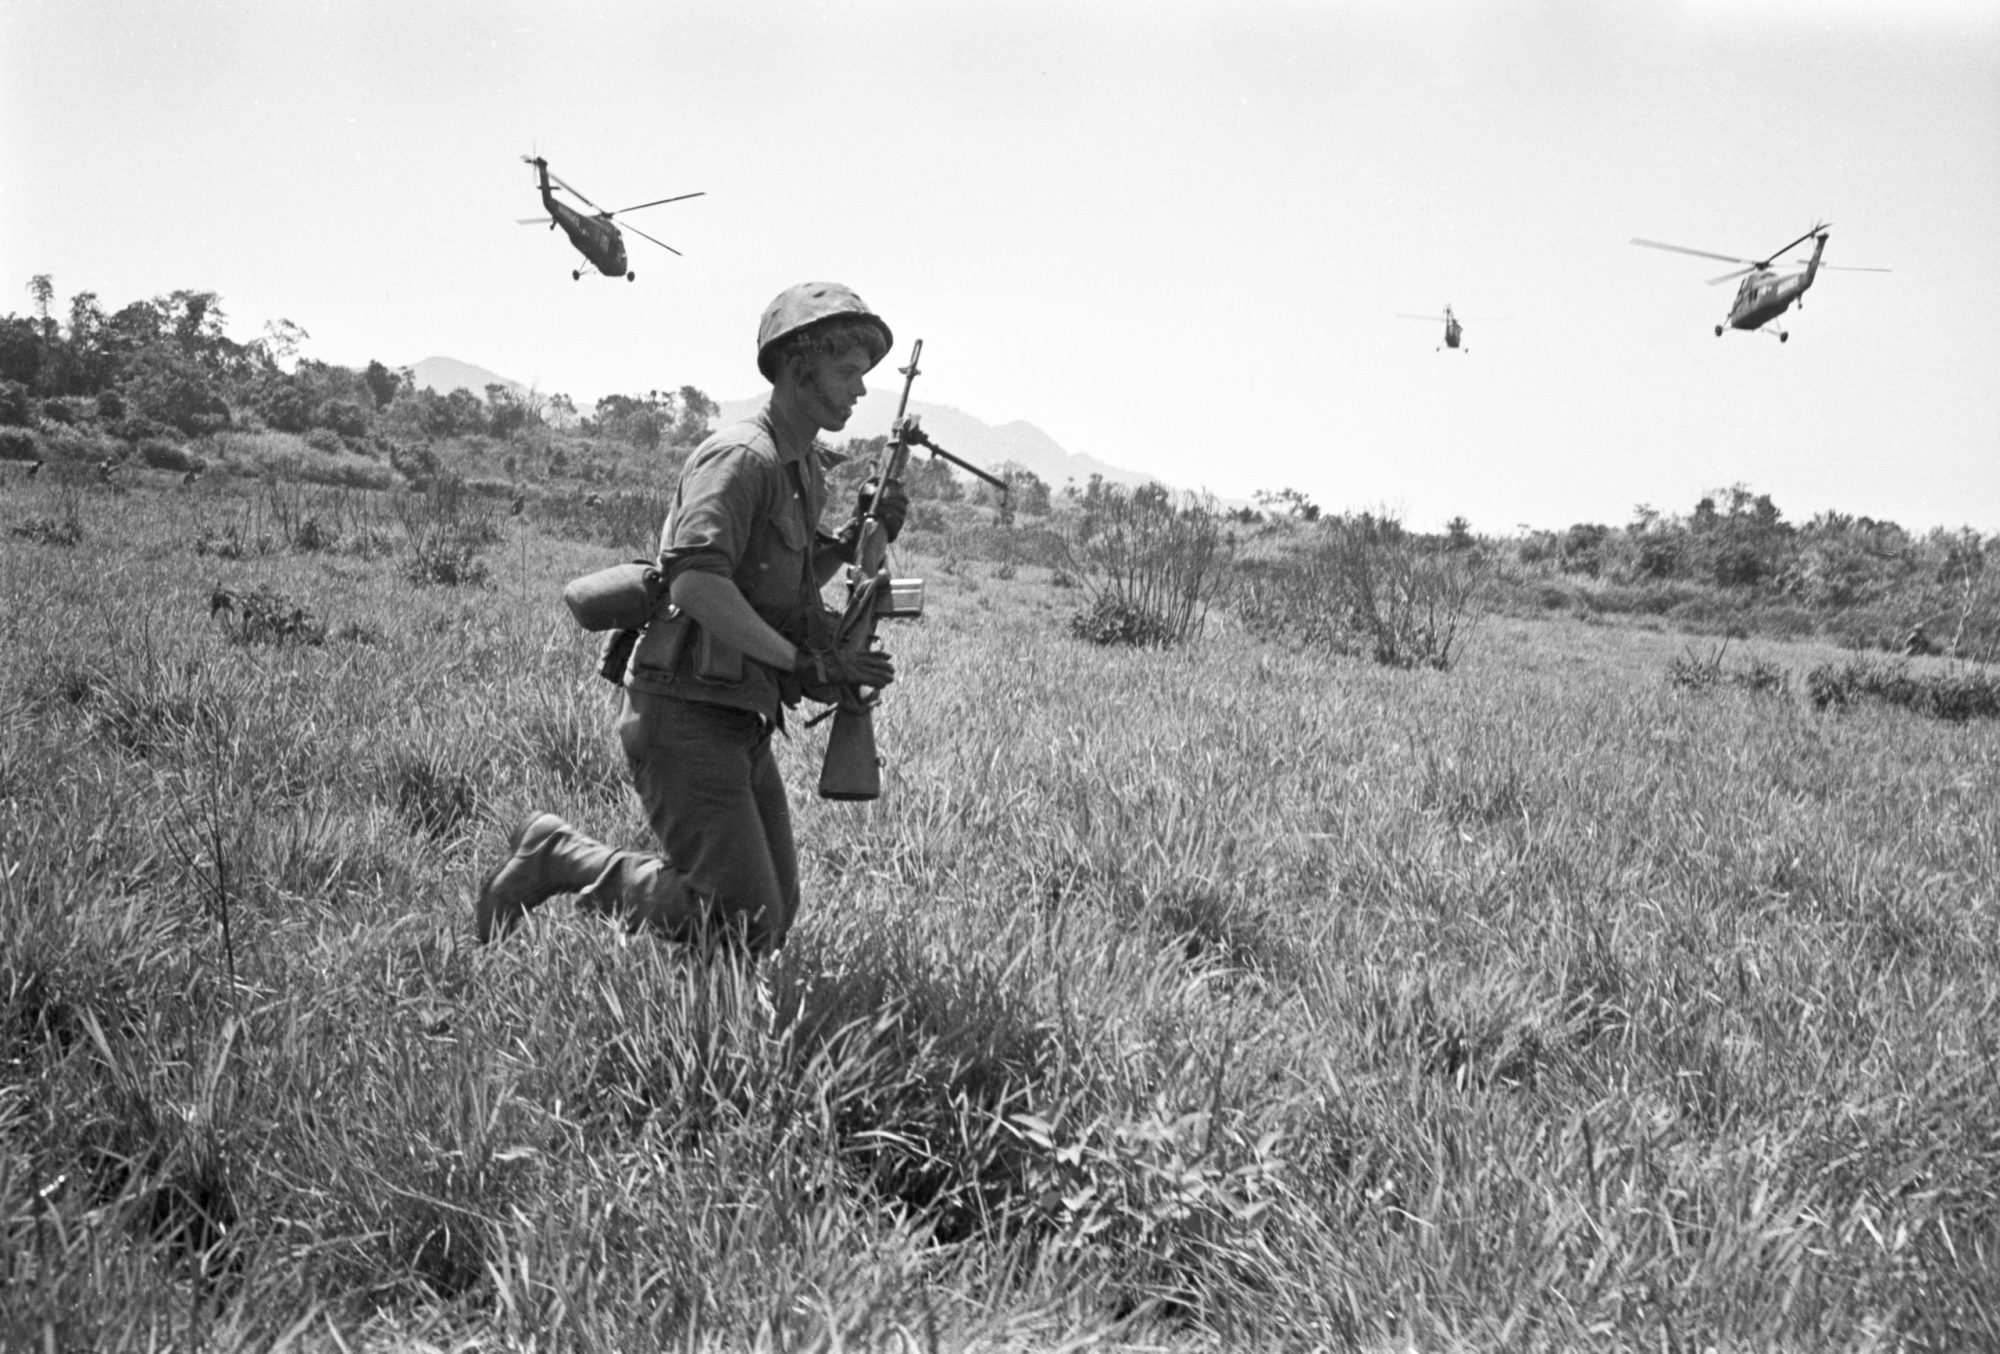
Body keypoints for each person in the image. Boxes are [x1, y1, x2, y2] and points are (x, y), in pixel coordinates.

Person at [476, 282, 908, 956]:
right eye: (847, 372)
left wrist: (851, 541)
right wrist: (800, 663)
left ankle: (709, 1012)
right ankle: (559, 858)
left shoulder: (800, 469)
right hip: (684, 711)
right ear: (800, 369)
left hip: (737, 711)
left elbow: (777, 582)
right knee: (746, 919)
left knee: (770, 913)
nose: (858, 391)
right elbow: (697, 583)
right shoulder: (741, 459)